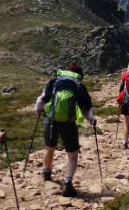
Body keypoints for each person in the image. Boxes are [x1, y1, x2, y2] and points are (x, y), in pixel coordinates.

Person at [35, 63, 96, 197]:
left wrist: (38, 110)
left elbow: (42, 99)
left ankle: (47, 173)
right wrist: (92, 120)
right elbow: (86, 109)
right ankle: (68, 184)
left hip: (51, 119)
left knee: (49, 149)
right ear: (79, 75)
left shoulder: (54, 81)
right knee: (72, 155)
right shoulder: (79, 86)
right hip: (68, 123)